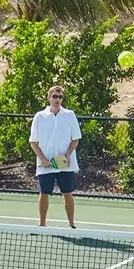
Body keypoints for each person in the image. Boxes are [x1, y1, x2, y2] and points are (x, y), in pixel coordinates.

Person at [29, 84, 82, 228]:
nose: (57, 99)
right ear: (49, 98)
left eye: (60, 97)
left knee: (67, 193)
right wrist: (43, 159)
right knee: (44, 193)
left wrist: (67, 154)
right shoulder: (40, 116)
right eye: (54, 97)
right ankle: (42, 225)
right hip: (46, 165)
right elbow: (33, 142)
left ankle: (71, 224)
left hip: (65, 164)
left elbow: (75, 139)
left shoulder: (70, 115)